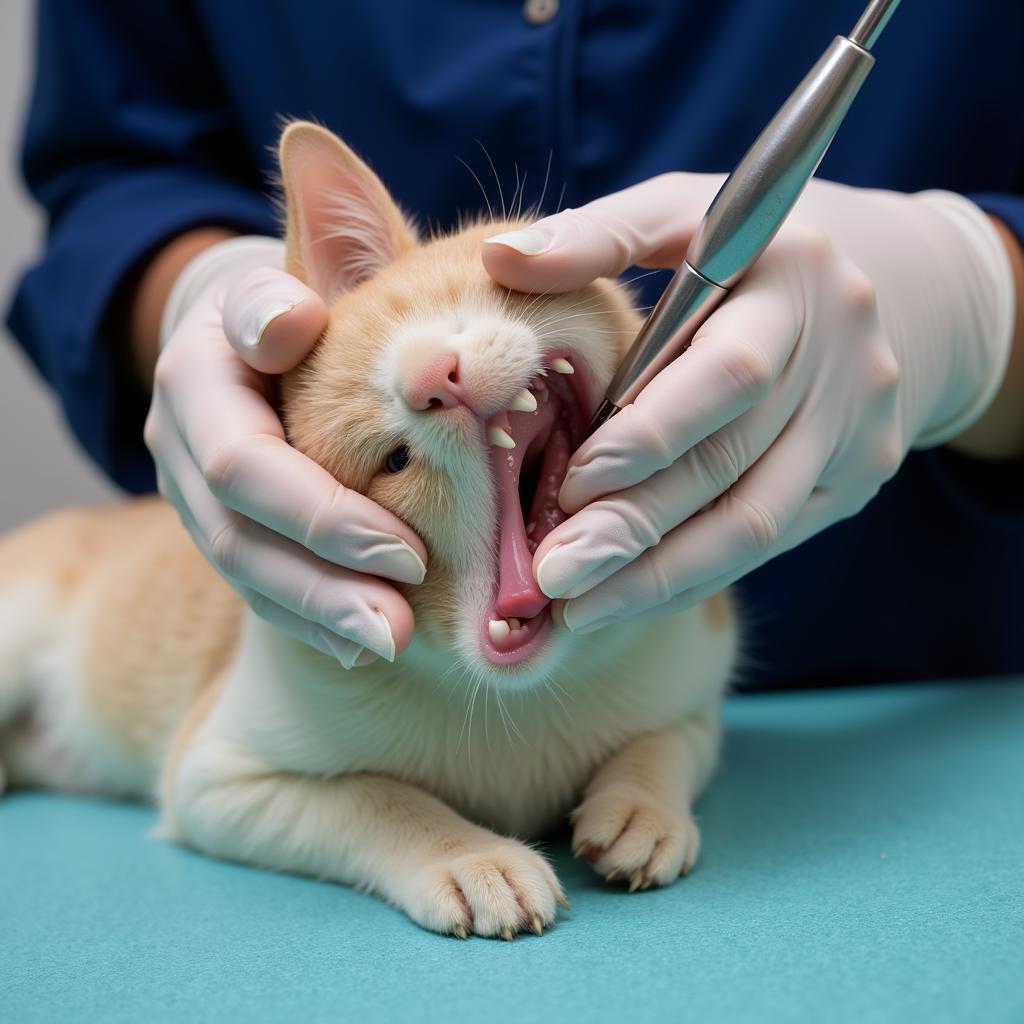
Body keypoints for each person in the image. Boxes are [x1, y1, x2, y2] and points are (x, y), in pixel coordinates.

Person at [7, 1, 1023, 687]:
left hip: (941, 687)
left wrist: (979, 301)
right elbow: (119, 158)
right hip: (370, 668)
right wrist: (200, 294)